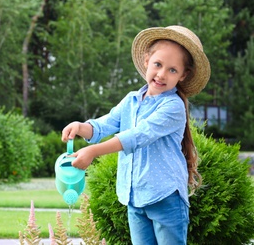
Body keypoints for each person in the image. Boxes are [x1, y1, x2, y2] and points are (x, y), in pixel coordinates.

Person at [61, 25, 210, 245]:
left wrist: (93, 151)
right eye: (158, 64)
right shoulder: (131, 100)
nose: (161, 74)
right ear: (146, 60)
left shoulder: (173, 106)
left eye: (172, 70)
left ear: (182, 75)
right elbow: (105, 124)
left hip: (165, 197)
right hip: (135, 197)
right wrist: (81, 127)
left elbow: (137, 136)